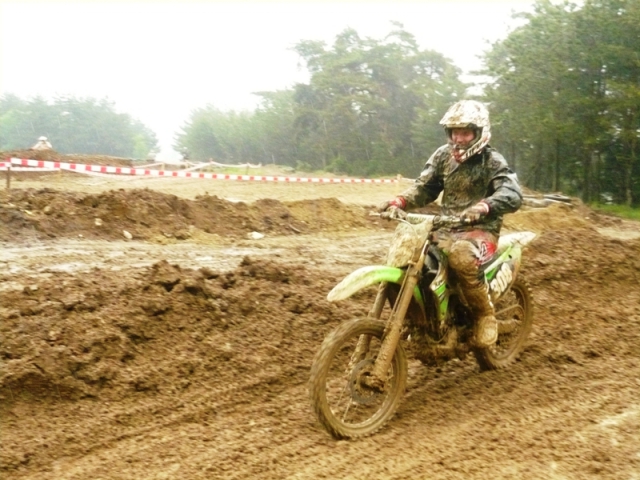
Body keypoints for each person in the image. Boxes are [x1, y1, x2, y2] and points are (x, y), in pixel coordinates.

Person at [378, 100, 523, 348]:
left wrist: (484, 206)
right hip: (446, 228)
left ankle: (485, 316)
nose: (458, 138)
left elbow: (512, 193)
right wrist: (399, 201)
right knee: (413, 257)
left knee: (461, 258)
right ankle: (423, 318)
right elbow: (425, 187)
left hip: (481, 231)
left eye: (465, 132)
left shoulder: (492, 161)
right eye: (454, 132)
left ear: (479, 132)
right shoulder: (443, 156)